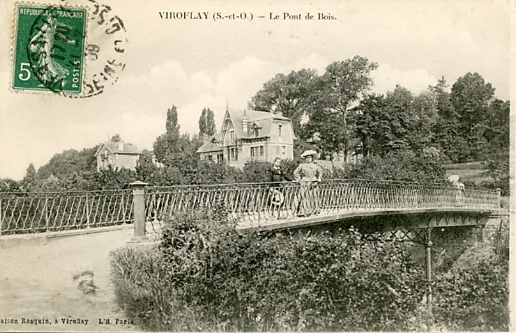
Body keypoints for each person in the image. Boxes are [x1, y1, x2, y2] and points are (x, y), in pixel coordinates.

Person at [293, 150, 323, 217]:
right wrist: (298, 178)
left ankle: (314, 210)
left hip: (313, 181)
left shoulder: (316, 165)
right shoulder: (302, 165)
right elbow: (295, 172)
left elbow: (320, 172)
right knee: (304, 196)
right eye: (306, 158)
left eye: (309, 157)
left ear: (312, 158)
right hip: (305, 181)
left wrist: (319, 178)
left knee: (313, 196)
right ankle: (303, 211)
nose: (308, 159)